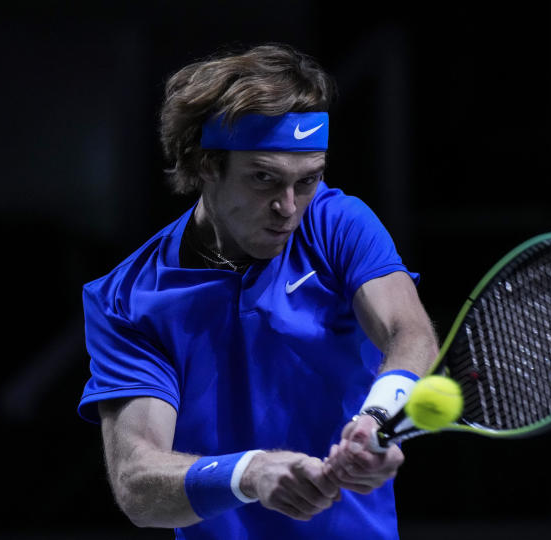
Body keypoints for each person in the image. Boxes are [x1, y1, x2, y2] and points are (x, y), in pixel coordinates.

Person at [77, 43, 438, 539]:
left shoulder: (337, 223)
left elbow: (409, 331)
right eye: (264, 179)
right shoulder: (126, 299)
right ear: (206, 164)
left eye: (307, 181)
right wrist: (248, 473)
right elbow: (137, 484)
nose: (288, 208)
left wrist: (379, 419)